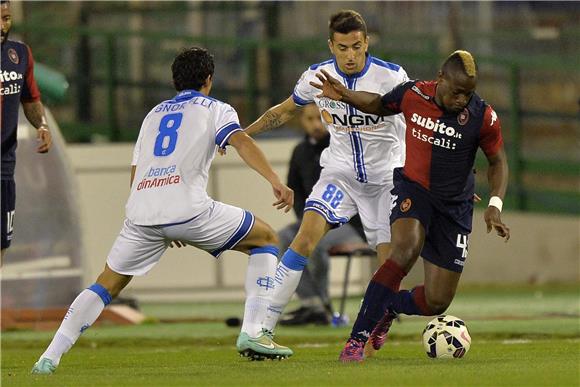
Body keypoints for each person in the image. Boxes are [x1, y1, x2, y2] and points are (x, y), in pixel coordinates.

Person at [31, 47, 295, 374]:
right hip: (188, 211)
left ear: (174, 80)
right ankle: (254, 333)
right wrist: (274, 180)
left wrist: (160, 216)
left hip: (142, 213)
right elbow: (241, 142)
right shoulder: (216, 108)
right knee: (266, 238)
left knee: (106, 284)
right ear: (209, 79)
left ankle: (49, 358)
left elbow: (137, 170)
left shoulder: (153, 114)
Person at [310, 49, 510, 362]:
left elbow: (498, 161)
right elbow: (378, 104)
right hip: (414, 191)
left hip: (455, 208)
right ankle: (356, 339)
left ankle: (389, 305)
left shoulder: (483, 116)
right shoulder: (413, 94)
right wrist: (346, 95)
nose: (462, 100)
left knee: (437, 301)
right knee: (404, 251)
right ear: (440, 78)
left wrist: (495, 204)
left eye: (468, 93)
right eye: (457, 92)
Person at [244, 10, 409, 349]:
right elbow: (284, 110)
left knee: (389, 261)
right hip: (340, 174)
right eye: (343, 47)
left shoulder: (391, 77)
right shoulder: (315, 78)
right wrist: (244, 135)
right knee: (303, 239)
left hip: (385, 179)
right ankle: (261, 330)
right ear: (331, 45)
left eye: (357, 47)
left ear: (367, 43)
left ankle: (380, 318)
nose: (350, 55)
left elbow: (416, 123)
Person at [278, 103, 365, 326]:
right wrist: (305, 220)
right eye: (309, 119)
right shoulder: (299, 151)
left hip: (351, 225)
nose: (316, 124)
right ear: (302, 122)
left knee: (313, 241)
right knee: (282, 238)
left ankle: (324, 305)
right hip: (315, 219)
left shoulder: (343, 146)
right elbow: (295, 191)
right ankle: (312, 304)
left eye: (320, 118)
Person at [1, 0, 52, 264]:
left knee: (1, 246)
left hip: (4, 170)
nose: (2, 27)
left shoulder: (19, 54)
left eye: (6, 19)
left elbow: (30, 99)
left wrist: (41, 125)